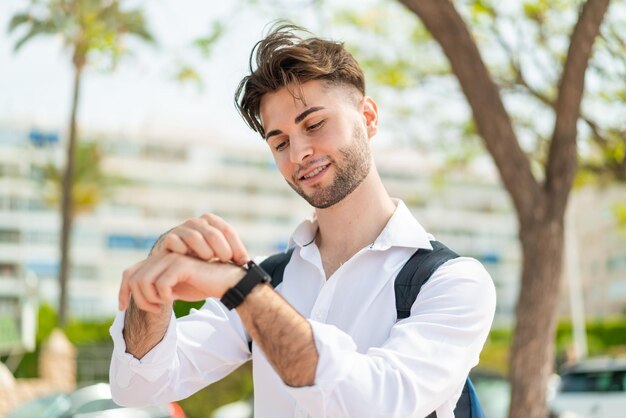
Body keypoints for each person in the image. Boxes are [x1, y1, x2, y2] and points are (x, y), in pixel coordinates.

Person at [109, 24, 496, 418]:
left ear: (368, 117)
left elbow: (377, 403)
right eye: (279, 142)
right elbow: (137, 386)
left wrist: (244, 290)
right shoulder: (271, 279)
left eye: (314, 125)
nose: (299, 153)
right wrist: (152, 293)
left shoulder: (452, 281)